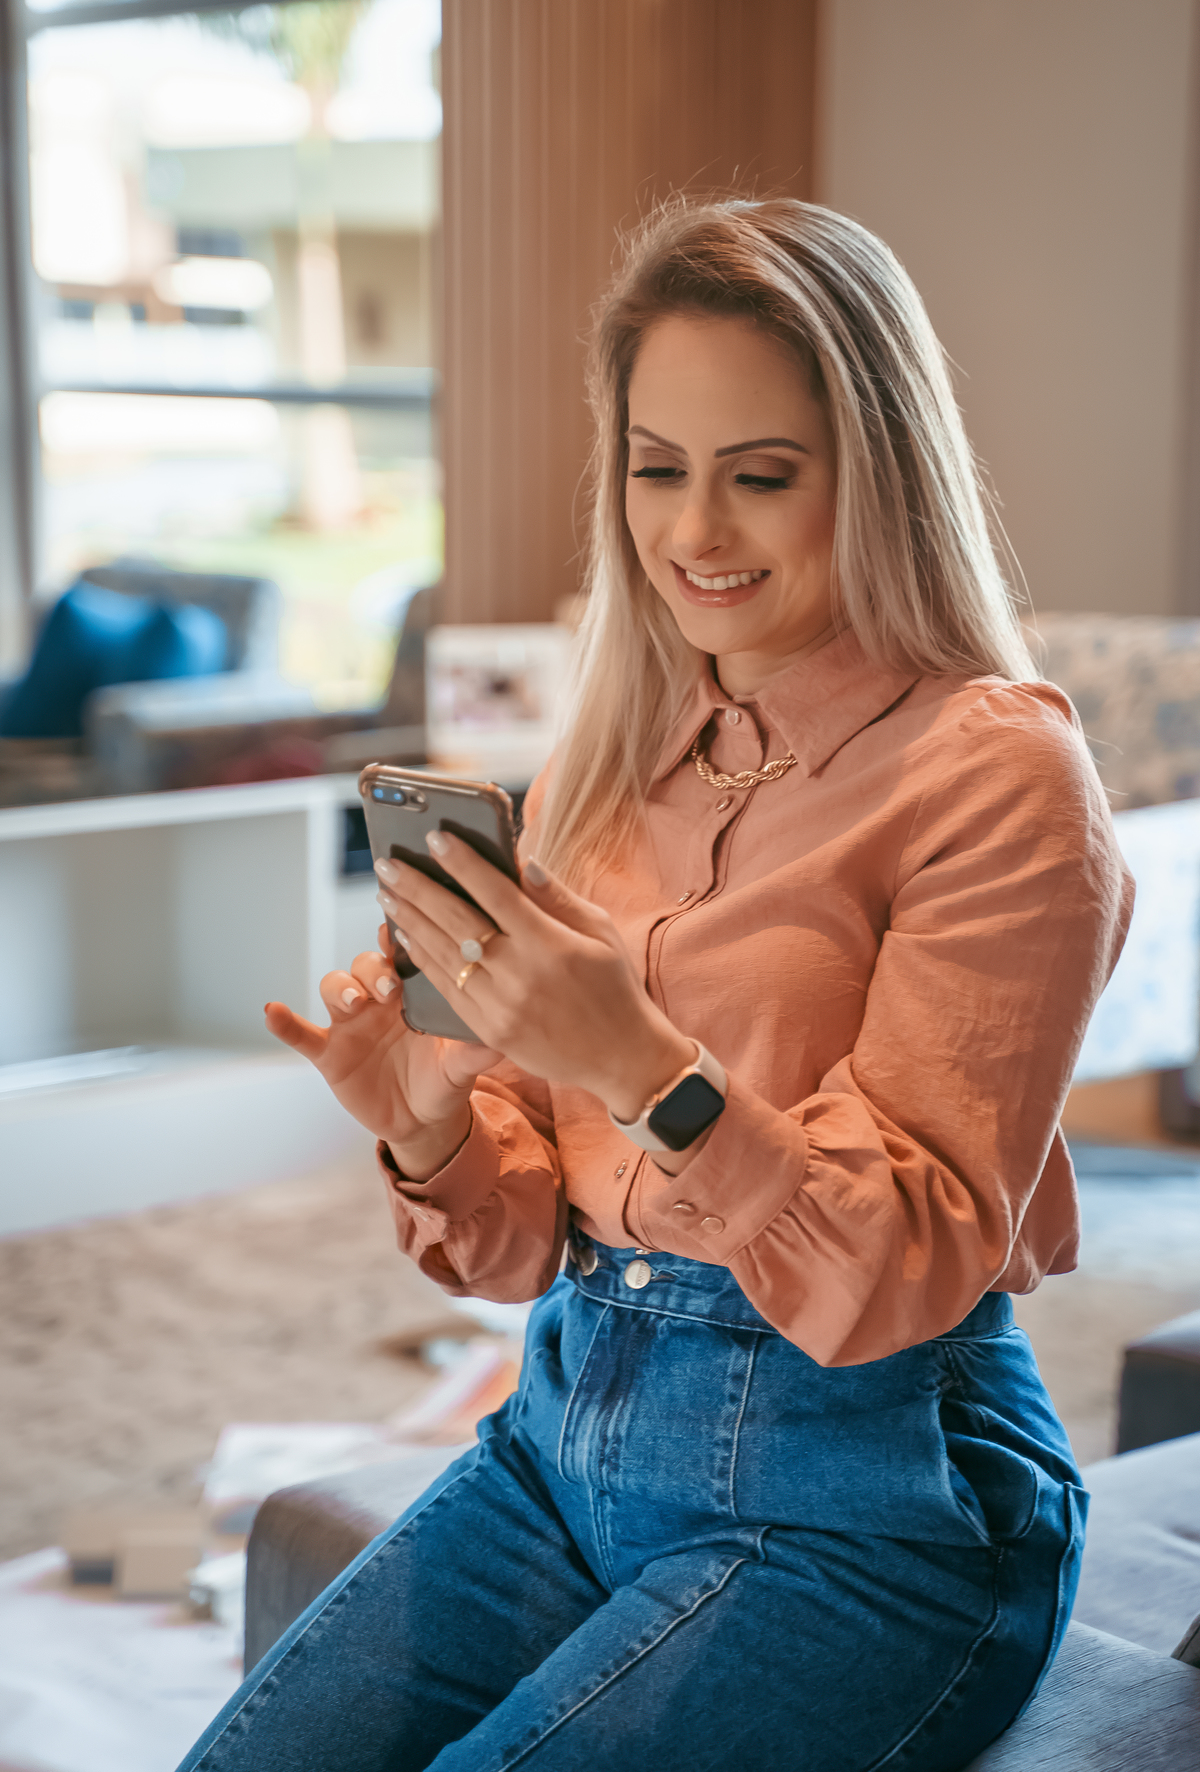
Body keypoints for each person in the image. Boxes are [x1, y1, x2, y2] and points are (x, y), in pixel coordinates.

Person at [178, 199, 1133, 1772]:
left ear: (876, 470)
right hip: (562, 1439)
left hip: (870, 1498)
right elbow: (515, 1248)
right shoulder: (613, 751)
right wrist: (425, 1124)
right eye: (657, 468)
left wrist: (647, 1066)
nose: (697, 533)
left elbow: (908, 1267)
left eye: (762, 477)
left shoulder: (997, 772)